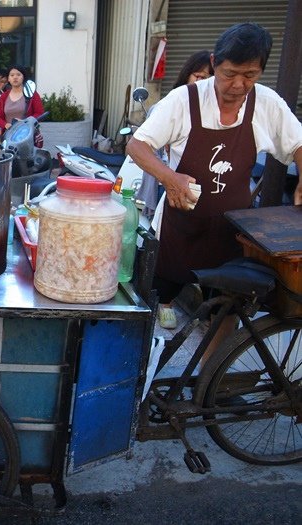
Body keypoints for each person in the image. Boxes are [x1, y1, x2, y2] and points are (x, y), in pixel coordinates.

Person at [126, 22, 302, 348]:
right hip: (179, 228)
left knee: (225, 311)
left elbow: (297, 144)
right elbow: (137, 146)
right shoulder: (183, 101)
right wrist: (169, 176)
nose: (238, 84)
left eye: (250, 75)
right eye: (229, 73)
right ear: (214, 62)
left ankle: (210, 385)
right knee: (153, 299)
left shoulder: (267, 103)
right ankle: (143, 367)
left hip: (231, 231)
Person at [136, 50, 214, 229]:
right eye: (199, 77)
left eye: (210, 79)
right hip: (170, 181)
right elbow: (139, 146)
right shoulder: (170, 105)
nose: (204, 84)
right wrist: (167, 177)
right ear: (187, 75)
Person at [0, 65, 45, 143]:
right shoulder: (4, 96)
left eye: (18, 75)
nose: (15, 77)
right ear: (8, 79)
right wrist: (5, 125)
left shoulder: (32, 94)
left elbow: (39, 113)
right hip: (10, 136)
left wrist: (25, 122)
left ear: (23, 77)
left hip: (28, 135)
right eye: (12, 75)